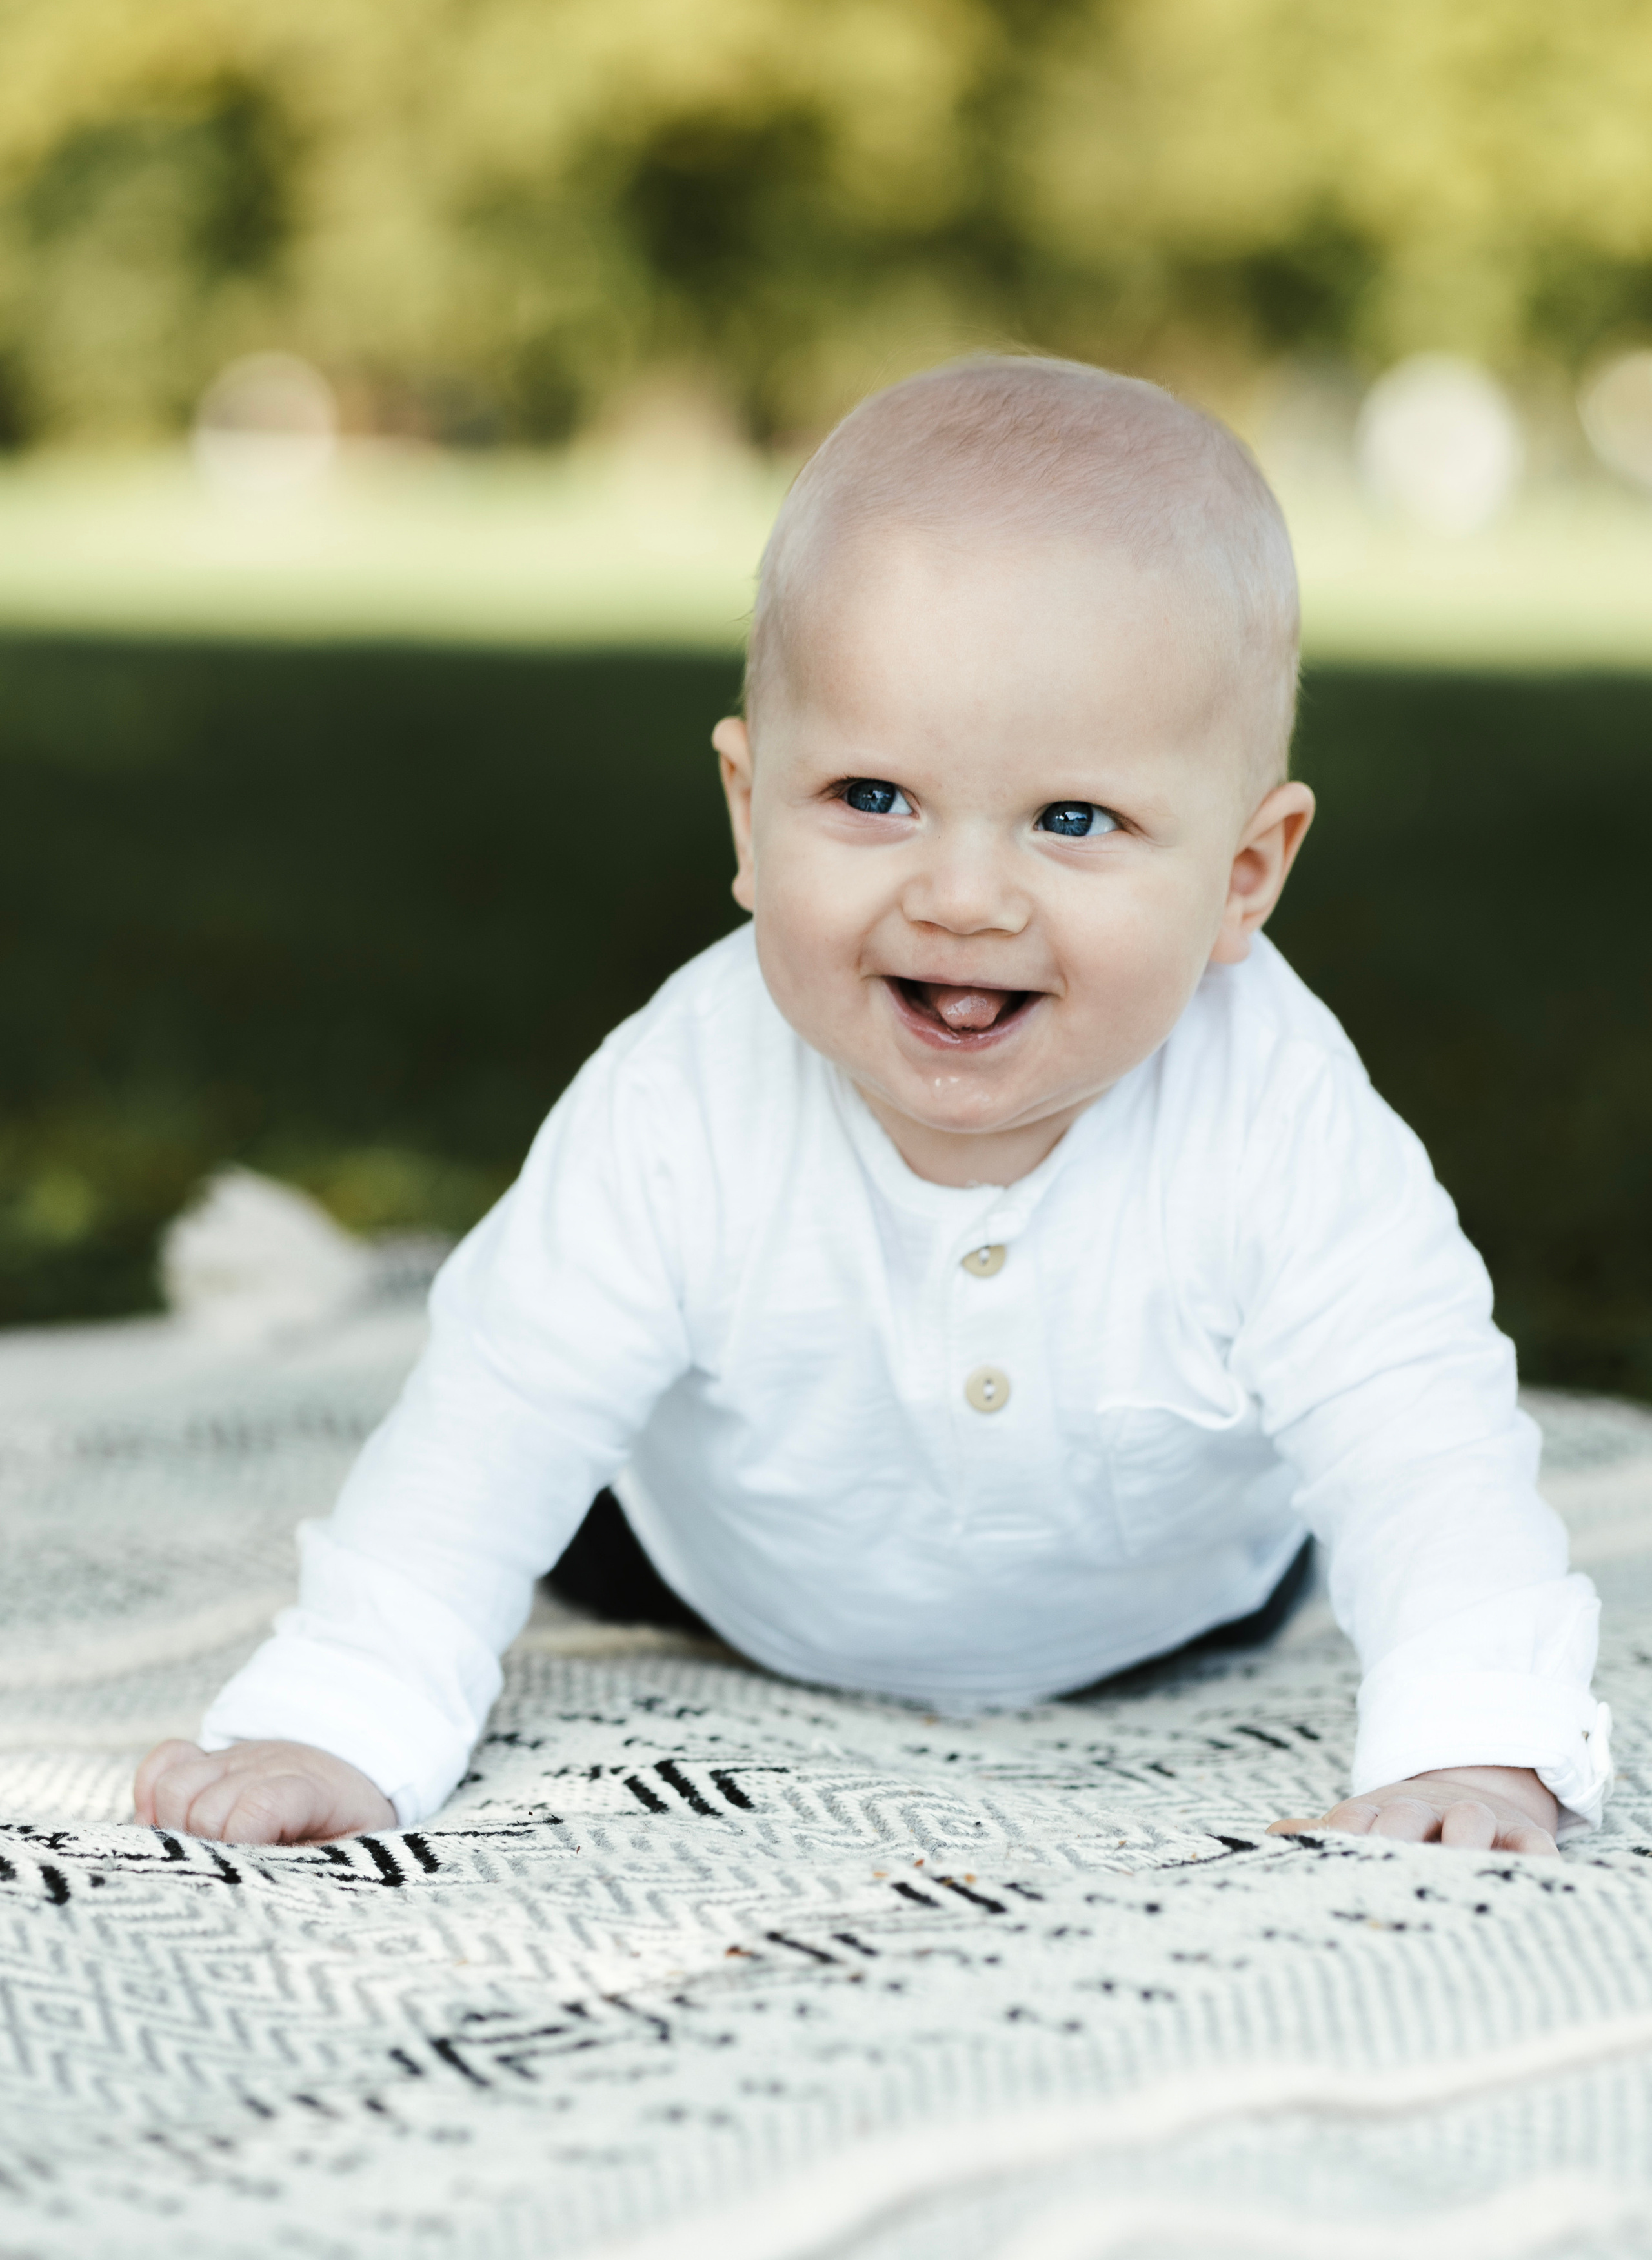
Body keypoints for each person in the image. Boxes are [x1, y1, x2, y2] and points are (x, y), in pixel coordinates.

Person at [134, 356, 1609, 1857]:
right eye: (871, 798)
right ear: (746, 809)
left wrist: (1478, 1746)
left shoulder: (1281, 1118)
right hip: (724, 1579)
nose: (961, 897)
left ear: (1244, 874)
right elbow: (491, 1418)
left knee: (1364, 1466)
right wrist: (338, 1717)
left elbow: (1422, 1436)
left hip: (1170, 1608)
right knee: (537, 1404)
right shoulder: (679, 1097)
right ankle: (422, 1281)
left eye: (1073, 819)